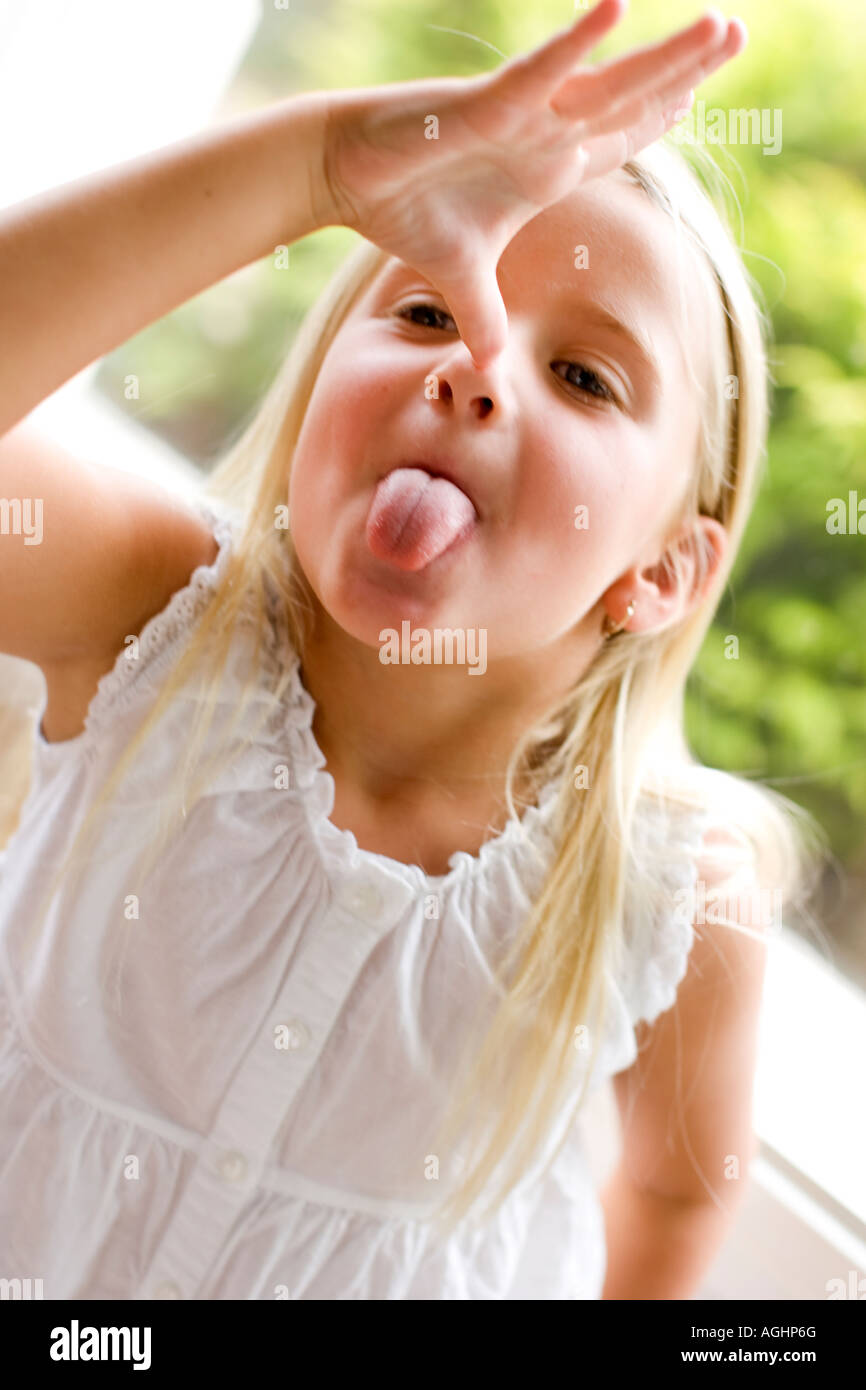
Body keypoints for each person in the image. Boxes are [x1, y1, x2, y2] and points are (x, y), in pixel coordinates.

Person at [0, 0, 824, 1299]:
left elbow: (673, 1189)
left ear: (662, 569)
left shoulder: (669, 894)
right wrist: (315, 170)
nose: (477, 366)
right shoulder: (145, 610)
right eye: (430, 311)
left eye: (587, 378)